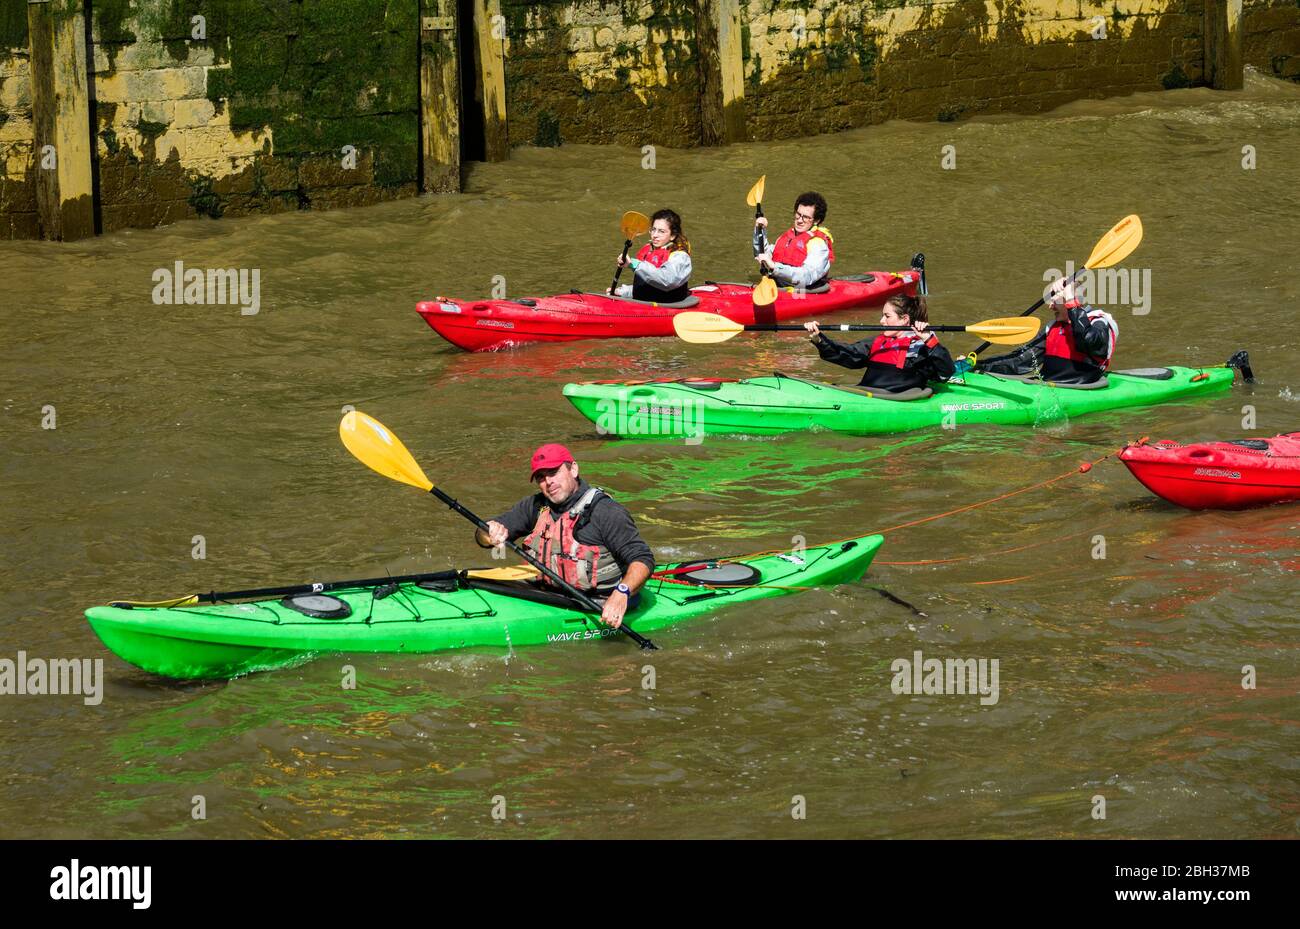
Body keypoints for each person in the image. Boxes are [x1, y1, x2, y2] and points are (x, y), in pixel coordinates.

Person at [476, 444, 655, 629]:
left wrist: (622, 593)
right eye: (541, 477)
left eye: (553, 472)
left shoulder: (605, 512)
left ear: (574, 469)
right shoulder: (535, 506)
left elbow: (643, 559)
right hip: (549, 594)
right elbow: (482, 537)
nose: (548, 482)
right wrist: (488, 532)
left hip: (597, 601)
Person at [803, 292, 955, 394]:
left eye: (887, 316)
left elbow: (945, 372)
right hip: (868, 394)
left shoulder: (920, 347)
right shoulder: (879, 341)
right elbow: (849, 355)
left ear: (904, 319)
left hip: (894, 400)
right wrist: (819, 339)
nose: (882, 321)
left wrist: (928, 340)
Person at [977, 277, 1117, 385]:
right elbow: (1020, 361)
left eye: (1055, 301)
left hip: (1079, 389)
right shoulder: (1053, 328)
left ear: (1071, 300)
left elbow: (1087, 340)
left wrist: (1071, 300)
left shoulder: (1100, 322)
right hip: (1046, 387)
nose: (1050, 306)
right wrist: (978, 364)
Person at [755, 192, 834, 290]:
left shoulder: (818, 245)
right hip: (778, 287)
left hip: (801, 292)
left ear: (816, 220)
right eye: (798, 214)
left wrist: (775, 267)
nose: (800, 220)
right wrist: (759, 229)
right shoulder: (787, 237)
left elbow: (806, 277)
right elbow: (762, 254)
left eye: (806, 217)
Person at [611, 208, 692, 303]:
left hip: (668, 305)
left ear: (673, 235)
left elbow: (667, 280)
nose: (655, 235)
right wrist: (623, 292)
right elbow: (648, 287)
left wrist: (635, 264)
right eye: (653, 230)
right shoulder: (649, 251)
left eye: (661, 231)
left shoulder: (680, 257)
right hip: (648, 303)